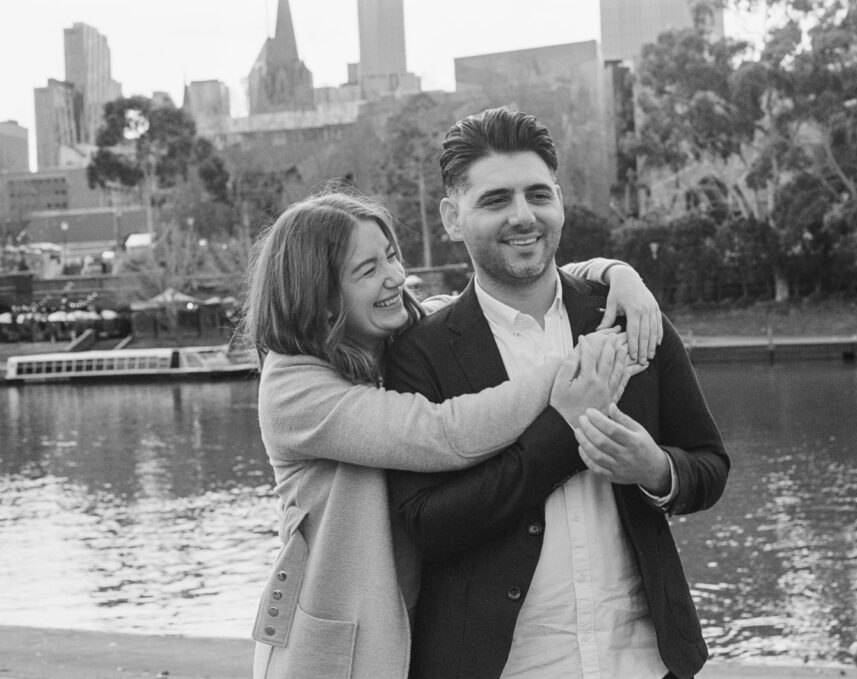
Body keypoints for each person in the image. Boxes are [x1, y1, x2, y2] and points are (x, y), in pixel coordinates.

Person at [243, 190, 663, 679]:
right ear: (318, 297)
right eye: (367, 270)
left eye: (392, 255)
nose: (396, 278)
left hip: (411, 636)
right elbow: (445, 434)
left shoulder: (400, 333)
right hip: (332, 654)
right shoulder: (292, 388)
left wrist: (617, 274)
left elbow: (519, 281)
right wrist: (566, 373)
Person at [386, 107, 730, 679]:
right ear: (452, 217)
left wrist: (655, 470)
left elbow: (710, 466)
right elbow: (427, 525)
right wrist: (563, 431)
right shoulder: (417, 352)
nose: (524, 216)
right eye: (496, 200)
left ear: (560, 200)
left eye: (538, 195)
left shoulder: (631, 318)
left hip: (645, 660)